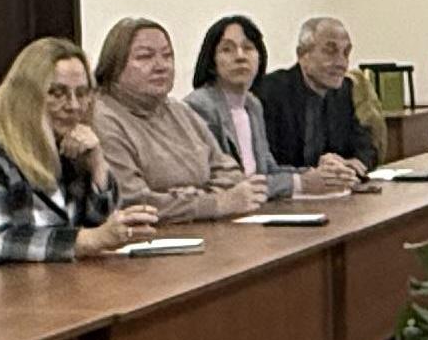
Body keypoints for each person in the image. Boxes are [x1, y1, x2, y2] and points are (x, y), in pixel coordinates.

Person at [0, 36, 166, 267]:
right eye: (57, 93)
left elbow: (101, 227)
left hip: (65, 278)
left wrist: (98, 165)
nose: (73, 106)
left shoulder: (70, 144)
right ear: (25, 96)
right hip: (6, 284)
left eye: (82, 93)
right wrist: (87, 240)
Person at [91, 18, 264, 221]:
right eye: (145, 57)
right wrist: (214, 203)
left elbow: (232, 174)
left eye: (167, 56)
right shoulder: (103, 118)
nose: (161, 66)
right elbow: (133, 201)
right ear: (114, 66)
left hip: (205, 230)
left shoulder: (180, 111)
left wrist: (189, 199)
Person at [188, 12, 360, 200]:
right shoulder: (201, 106)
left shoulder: (252, 105)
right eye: (227, 49)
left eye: (248, 48)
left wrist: (323, 175)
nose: (240, 56)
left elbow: (269, 169)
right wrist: (300, 183)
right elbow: (229, 184)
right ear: (211, 61)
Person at [257, 17, 381, 177]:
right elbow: (267, 163)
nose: (342, 63)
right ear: (302, 55)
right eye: (330, 51)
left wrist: (355, 163)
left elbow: (366, 147)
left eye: (346, 53)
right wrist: (316, 172)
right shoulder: (271, 91)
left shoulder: (344, 91)